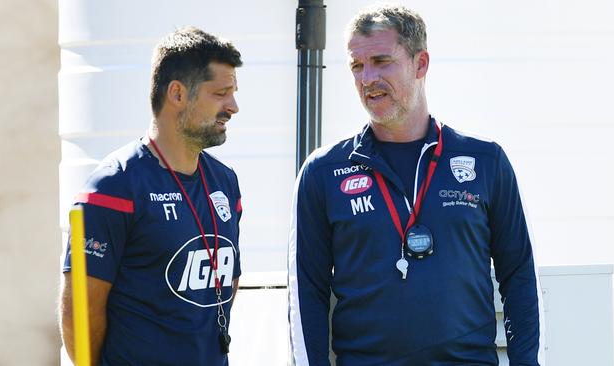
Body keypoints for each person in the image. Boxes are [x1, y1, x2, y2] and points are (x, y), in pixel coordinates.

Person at [288, 4, 545, 365]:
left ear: (420, 63)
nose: (367, 79)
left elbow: (520, 278)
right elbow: (305, 296)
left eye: (381, 61)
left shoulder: (486, 162)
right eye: (356, 66)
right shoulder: (322, 171)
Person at [59, 27, 243, 365]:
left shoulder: (225, 182)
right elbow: (79, 316)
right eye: (221, 93)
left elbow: (223, 288)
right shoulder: (113, 187)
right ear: (177, 94)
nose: (233, 106)